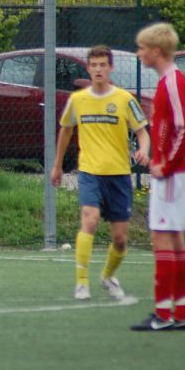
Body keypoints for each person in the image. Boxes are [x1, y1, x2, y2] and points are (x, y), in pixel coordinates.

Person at [49, 45, 149, 301]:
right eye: (93, 65)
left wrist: (143, 150)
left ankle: (107, 276)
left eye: (102, 65)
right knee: (89, 220)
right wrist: (58, 165)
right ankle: (82, 282)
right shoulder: (78, 100)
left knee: (120, 240)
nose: (98, 69)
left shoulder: (124, 99)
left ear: (110, 67)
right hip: (90, 172)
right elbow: (66, 130)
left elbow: (142, 132)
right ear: (89, 68)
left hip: (118, 175)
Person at [131, 23, 185, 331]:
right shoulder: (170, 81)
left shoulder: (172, 81)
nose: (139, 53)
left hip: (173, 174)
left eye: (142, 48)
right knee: (176, 240)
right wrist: (153, 155)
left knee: (161, 238)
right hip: (176, 171)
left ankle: (163, 314)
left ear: (156, 51)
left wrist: (164, 165)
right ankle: (181, 314)